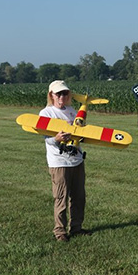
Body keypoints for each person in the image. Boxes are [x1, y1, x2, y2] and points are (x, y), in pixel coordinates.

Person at [40, 80, 91, 242]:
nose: (62, 96)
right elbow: (46, 139)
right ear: (51, 95)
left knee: (79, 196)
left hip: (76, 160)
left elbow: (79, 130)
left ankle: (76, 227)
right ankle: (60, 231)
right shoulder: (46, 113)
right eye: (58, 93)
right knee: (61, 197)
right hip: (59, 162)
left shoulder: (71, 110)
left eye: (65, 93)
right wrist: (56, 138)